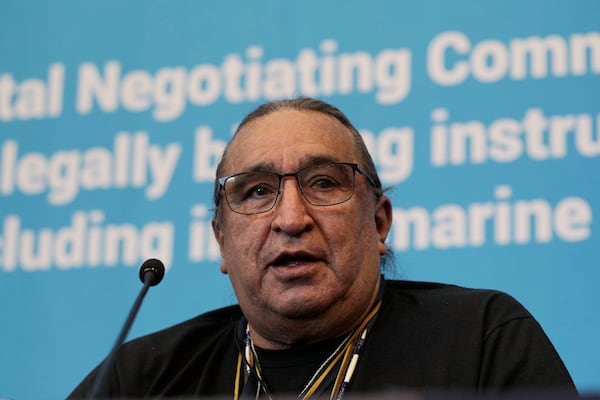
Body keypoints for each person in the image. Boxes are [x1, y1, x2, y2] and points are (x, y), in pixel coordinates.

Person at [70, 97, 576, 398]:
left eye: (324, 183)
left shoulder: (482, 337)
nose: (291, 219)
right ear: (221, 243)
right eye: (258, 191)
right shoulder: (139, 380)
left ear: (379, 224)